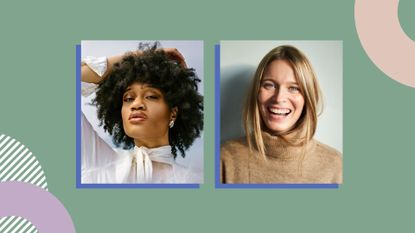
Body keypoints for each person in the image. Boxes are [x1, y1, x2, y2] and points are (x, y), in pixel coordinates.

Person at [81, 43, 203, 184]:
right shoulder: (97, 163)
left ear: (173, 113)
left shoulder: (196, 181)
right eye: (128, 99)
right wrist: (137, 57)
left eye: (151, 96)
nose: (136, 104)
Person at [220, 45, 342, 184]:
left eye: (294, 88)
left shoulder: (335, 166)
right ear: (257, 92)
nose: (279, 98)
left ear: (307, 98)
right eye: (269, 85)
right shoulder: (225, 158)